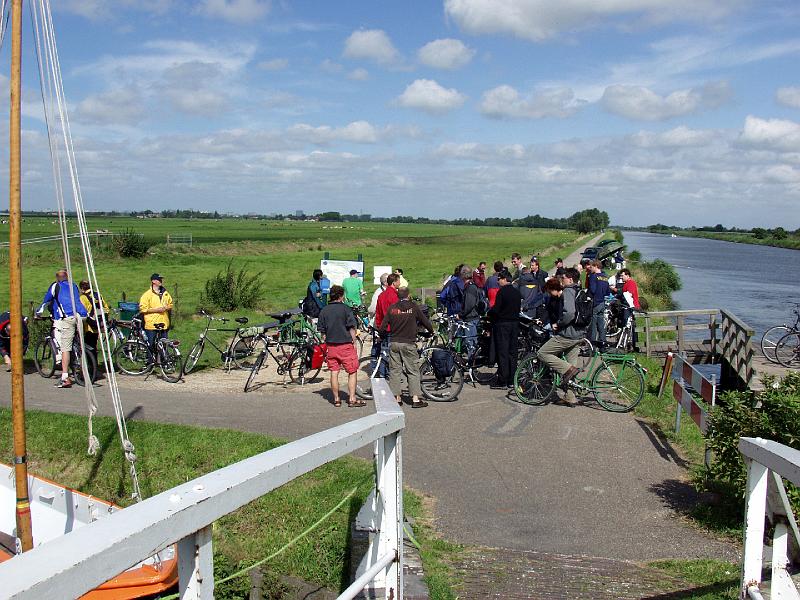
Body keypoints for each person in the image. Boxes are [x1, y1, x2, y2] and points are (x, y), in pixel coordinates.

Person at [378, 287, 434, 408]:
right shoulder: (413, 307)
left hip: (394, 343)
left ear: (398, 296)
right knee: (413, 370)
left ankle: (396, 398)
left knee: (395, 371)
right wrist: (431, 331)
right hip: (408, 343)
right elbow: (425, 321)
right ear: (408, 295)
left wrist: (381, 336)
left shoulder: (392, 308)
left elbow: (382, 327)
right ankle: (415, 399)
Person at [537, 268, 586, 401]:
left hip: (568, 334)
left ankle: (568, 370)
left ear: (570, 279)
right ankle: (570, 397)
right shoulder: (580, 290)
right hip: (579, 333)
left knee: (542, 353)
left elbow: (569, 313)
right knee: (572, 364)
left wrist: (560, 323)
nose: (561, 280)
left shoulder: (569, 291)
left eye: (563, 278)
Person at [37, 268, 88, 388]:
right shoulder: (74, 285)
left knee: (65, 347)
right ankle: (80, 356)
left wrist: (38, 313)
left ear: (57, 278)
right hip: (82, 315)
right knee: (77, 341)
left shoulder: (55, 286)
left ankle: (65, 377)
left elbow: (46, 300)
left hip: (68, 318)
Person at [317, 285, 364, 407]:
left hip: (331, 346)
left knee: (334, 372)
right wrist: (353, 343)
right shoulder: (346, 309)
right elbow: (352, 328)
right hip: (345, 344)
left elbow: (322, 332)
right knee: (352, 371)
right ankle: (352, 398)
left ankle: (336, 399)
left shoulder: (324, 311)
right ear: (341, 296)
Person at [487, 269, 520, 389]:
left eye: (499, 279)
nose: (497, 281)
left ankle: (502, 380)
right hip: (515, 324)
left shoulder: (502, 292)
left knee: (503, 352)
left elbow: (496, 309)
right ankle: (512, 379)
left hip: (503, 324)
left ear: (505, 279)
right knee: (513, 352)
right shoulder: (516, 292)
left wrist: (489, 314)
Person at [138, 273, 174, 352]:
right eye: (159, 279)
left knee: (164, 346)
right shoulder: (147, 295)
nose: (161, 281)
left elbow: (170, 304)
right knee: (151, 346)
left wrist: (166, 308)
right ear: (153, 281)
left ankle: (162, 362)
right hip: (152, 324)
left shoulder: (166, 293)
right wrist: (157, 310)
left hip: (164, 324)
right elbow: (143, 309)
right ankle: (151, 362)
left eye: (161, 279)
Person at [79, 280, 110, 357]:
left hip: (89, 326)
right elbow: (106, 308)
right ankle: (95, 365)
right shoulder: (98, 295)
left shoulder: (83, 297)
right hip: (99, 324)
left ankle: (92, 366)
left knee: (88, 346)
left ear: (82, 288)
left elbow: (82, 312)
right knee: (94, 344)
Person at [459, 266, 482, 356]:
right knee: (471, 342)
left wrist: (460, 314)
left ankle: (472, 364)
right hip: (472, 317)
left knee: (470, 342)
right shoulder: (472, 286)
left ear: (463, 275)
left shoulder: (470, 288)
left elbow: (469, 305)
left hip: (471, 319)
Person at [587, 260, 611, 347]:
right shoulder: (605, 277)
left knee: (593, 325)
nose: (591, 268)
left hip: (595, 302)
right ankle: (602, 343)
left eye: (592, 267)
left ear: (596, 266)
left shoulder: (593, 276)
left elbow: (593, 290)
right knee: (601, 325)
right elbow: (608, 292)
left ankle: (592, 345)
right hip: (602, 303)